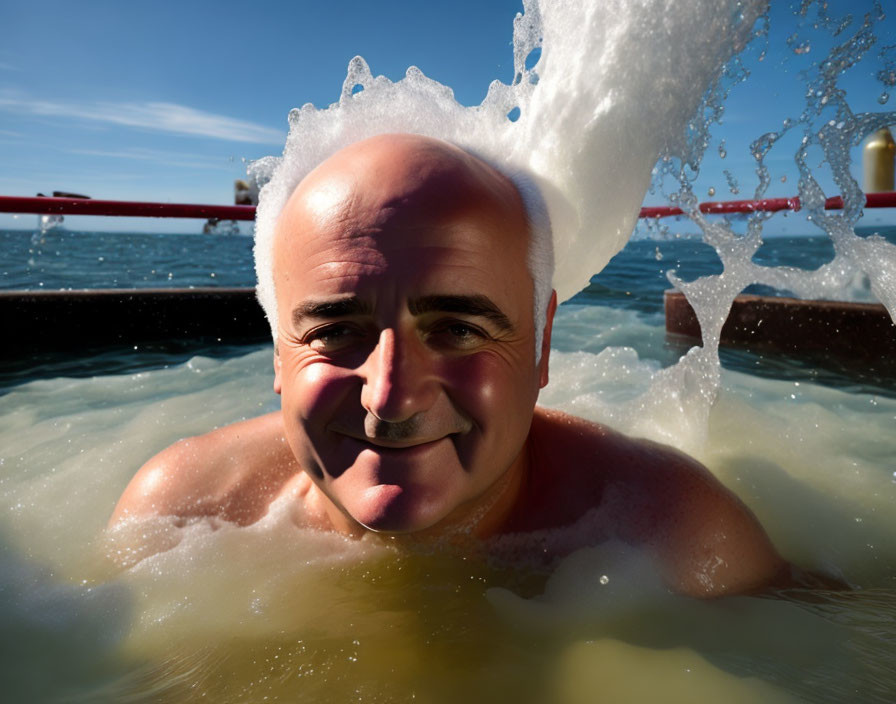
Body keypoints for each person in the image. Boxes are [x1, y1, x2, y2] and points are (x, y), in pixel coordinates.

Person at [110, 133, 787, 597]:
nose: (392, 397)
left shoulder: (675, 541)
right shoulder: (180, 520)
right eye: (337, 330)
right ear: (278, 353)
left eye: (458, 329)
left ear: (542, 345)